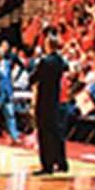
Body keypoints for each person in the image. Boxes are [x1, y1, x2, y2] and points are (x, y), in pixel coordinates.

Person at [32, 39, 70, 174]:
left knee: (44, 134)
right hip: (57, 99)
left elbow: (33, 78)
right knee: (56, 133)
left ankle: (47, 165)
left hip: (44, 100)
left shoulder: (45, 61)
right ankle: (61, 162)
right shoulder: (61, 61)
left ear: (47, 46)